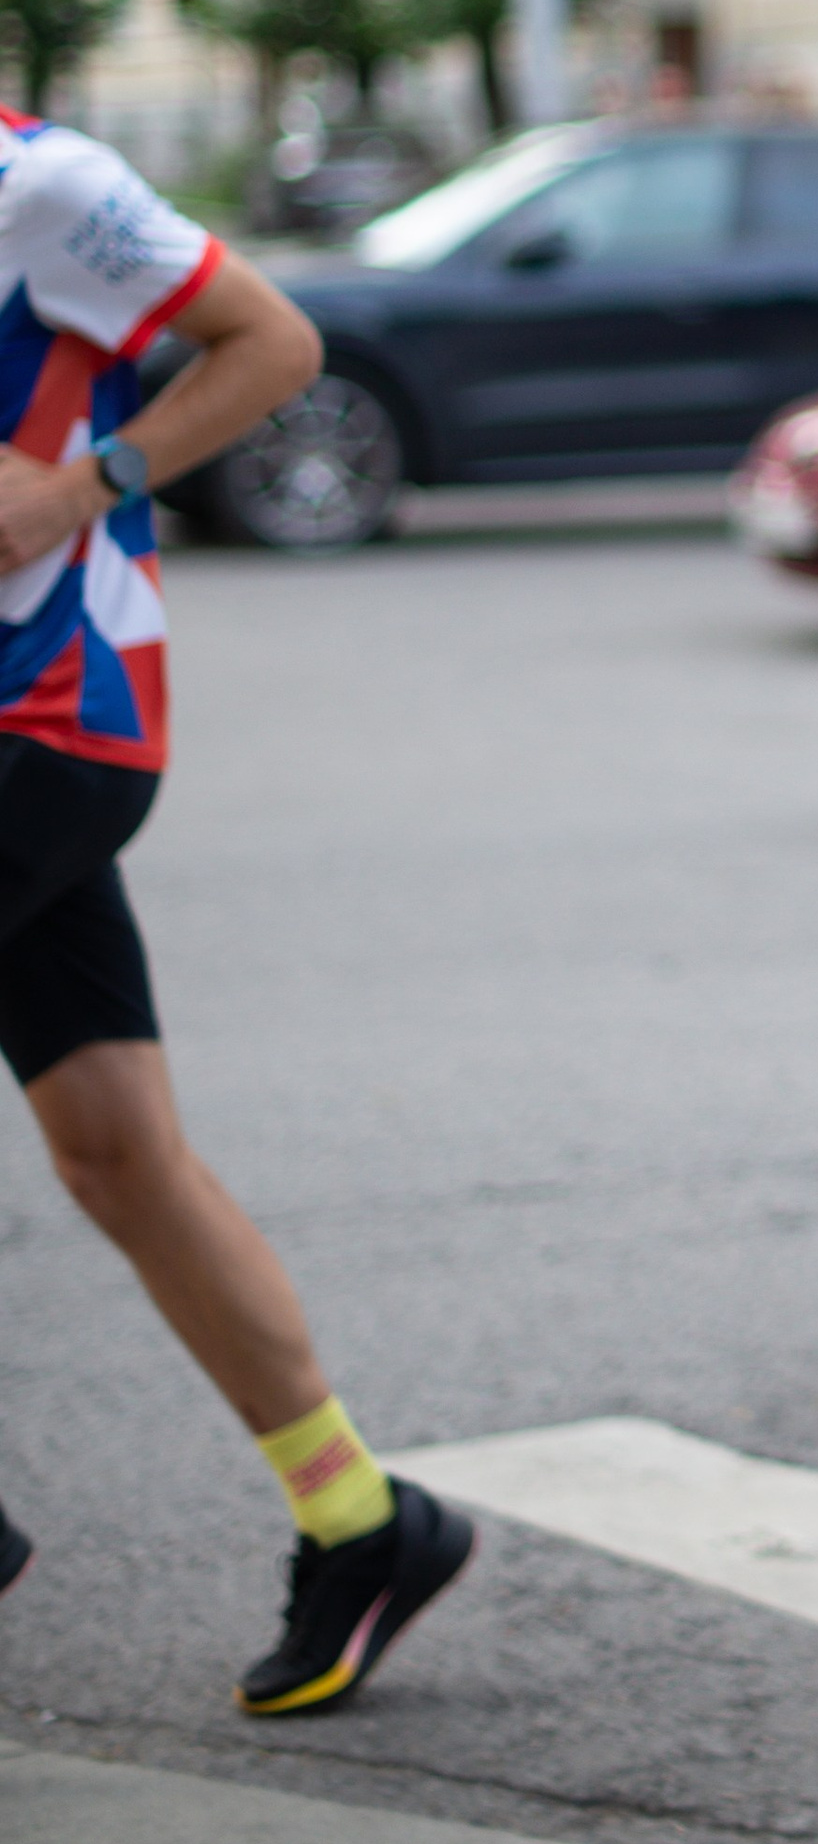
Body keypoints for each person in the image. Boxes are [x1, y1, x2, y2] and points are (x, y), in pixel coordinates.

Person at [0, 105, 473, 1712]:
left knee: (116, 1148)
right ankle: (360, 1520)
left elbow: (275, 344)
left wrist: (79, 487)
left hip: (55, 710)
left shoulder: (38, 184)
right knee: (115, 1149)